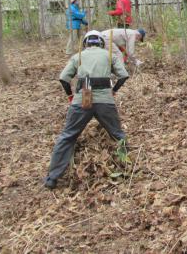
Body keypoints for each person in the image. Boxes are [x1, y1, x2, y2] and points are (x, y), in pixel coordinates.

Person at [44, 30, 130, 189]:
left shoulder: (78, 56)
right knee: (117, 134)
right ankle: (127, 166)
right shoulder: (109, 55)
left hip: (82, 98)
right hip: (105, 100)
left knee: (68, 136)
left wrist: (71, 96)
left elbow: (64, 78)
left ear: (85, 43)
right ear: (101, 43)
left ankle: (52, 178)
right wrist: (114, 90)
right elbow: (124, 75)